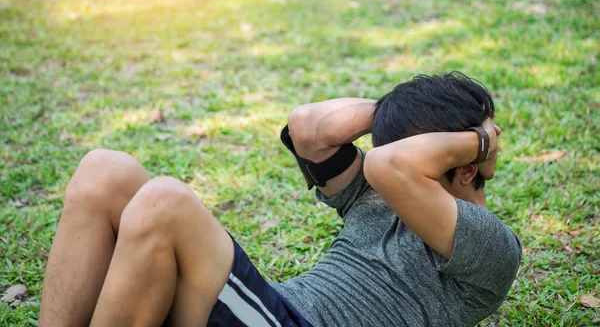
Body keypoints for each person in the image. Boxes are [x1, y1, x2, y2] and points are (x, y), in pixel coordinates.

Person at [39, 72, 522, 327]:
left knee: (165, 202)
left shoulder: (490, 245)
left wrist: (477, 142)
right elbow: (306, 127)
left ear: (460, 166)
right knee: (104, 170)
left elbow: (386, 165)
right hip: (265, 311)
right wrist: (397, 112)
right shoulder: (376, 197)